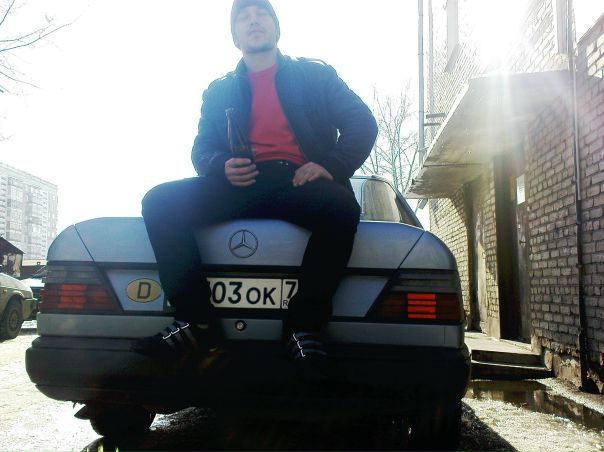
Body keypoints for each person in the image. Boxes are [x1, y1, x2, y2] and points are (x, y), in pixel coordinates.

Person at [133, 0, 378, 379]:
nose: (253, 21)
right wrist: (220, 165)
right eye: (243, 18)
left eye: (261, 13)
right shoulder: (219, 91)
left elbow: (362, 123)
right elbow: (201, 149)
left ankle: (302, 327)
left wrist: (330, 166)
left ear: (277, 28)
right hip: (239, 183)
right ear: (235, 36)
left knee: (342, 207)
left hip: (296, 182)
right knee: (159, 202)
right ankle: (198, 323)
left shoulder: (315, 75)